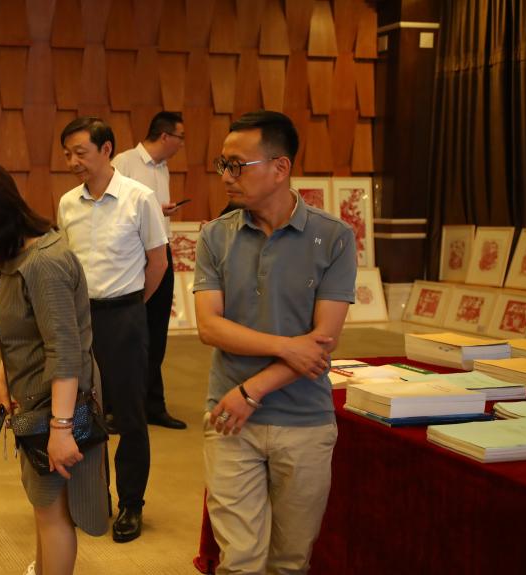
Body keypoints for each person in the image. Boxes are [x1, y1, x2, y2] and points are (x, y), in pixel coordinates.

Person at [193, 110, 356, 573]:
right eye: (222, 164)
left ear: (280, 167)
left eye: (236, 165)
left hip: (304, 421)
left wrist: (252, 391)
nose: (226, 176)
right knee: (240, 561)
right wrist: (287, 346)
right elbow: (210, 328)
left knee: (290, 561)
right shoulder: (215, 236)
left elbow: (321, 344)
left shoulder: (334, 237)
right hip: (228, 419)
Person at [0, 162, 108, 575]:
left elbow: (65, 351)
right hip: (35, 399)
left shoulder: (44, 263)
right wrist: (3, 381)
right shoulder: (11, 256)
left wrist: (61, 428)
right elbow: (18, 331)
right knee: (43, 504)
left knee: (54, 512)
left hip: (56, 402)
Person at [56, 117, 168, 543]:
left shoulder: (140, 198)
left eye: (80, 153)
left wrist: (132, 305)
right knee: (85, 411)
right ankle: (93, 497)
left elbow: (158, 263)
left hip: (125, 316)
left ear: (106, 150)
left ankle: (132, 504)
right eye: (67, 154)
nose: (72, 162)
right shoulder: (68, 203)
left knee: (130, 415)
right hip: (80, 319)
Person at [111, 110, 189, 430]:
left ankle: (153, 405)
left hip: (161, 251)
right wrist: (155, 209)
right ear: (165, 136)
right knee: (128, 333)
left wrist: (161, 211)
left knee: (157, 332)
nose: (182, 144)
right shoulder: (124, 162)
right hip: (132, 255)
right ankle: (119, 408)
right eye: (180, 137)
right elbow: (113, 205)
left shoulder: (163, 167)